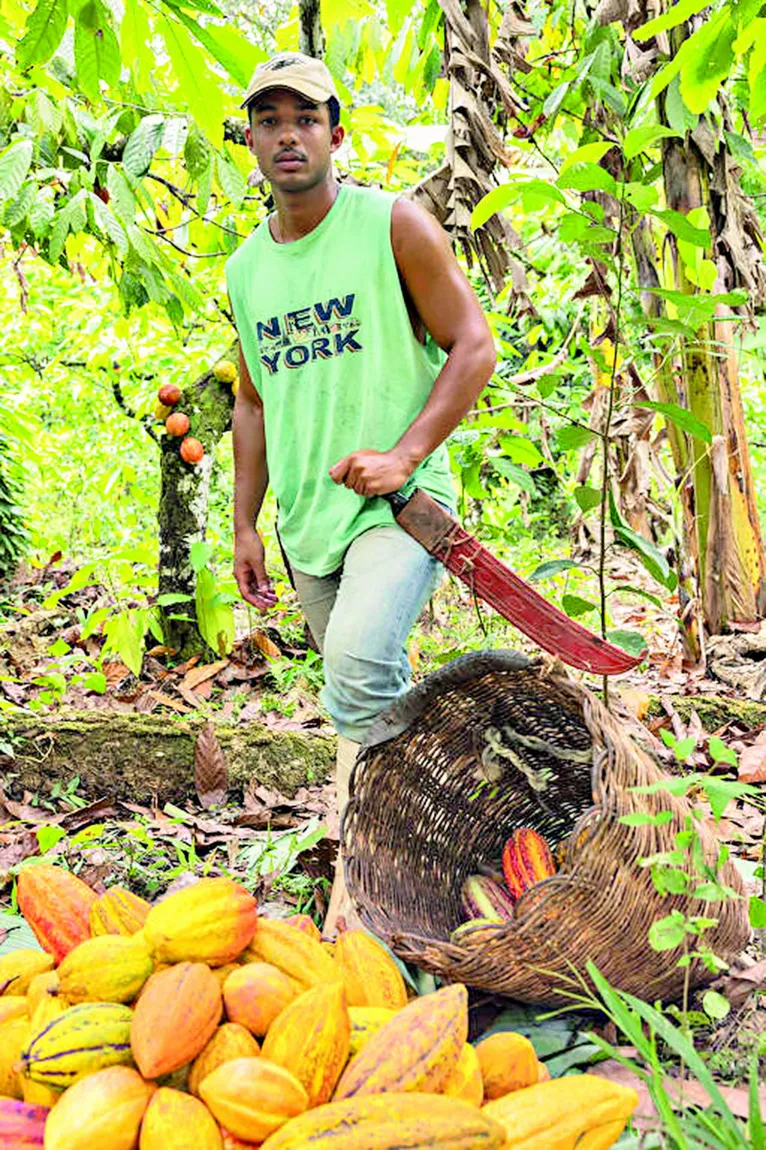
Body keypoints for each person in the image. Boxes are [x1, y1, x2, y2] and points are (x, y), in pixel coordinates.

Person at [227, 52, 496, 933]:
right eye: (269, 120)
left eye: (304, 118)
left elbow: (473, 344)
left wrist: (406, 452)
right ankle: (430, 846)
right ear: (253, 142)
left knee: (353, 668)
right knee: (366, 696)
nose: (287, 135)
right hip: (307, 524)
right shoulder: (245, 271)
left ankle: (367, 868)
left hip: (400, 506)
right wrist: (244, 525)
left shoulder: (392, 225)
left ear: (335, 134)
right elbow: (253, 399)